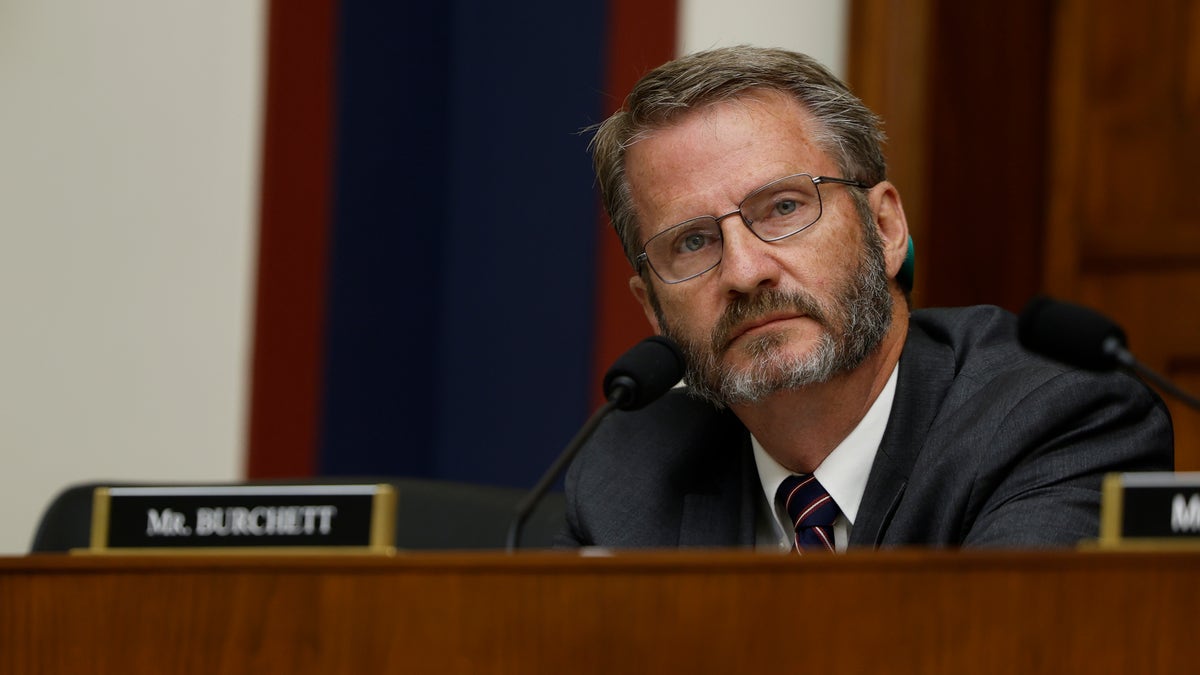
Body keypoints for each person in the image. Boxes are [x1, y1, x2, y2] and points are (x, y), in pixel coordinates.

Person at [558, 45, 1173, 551]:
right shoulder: (627, 469)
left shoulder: (1052, 419)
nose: (745, 272)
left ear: (884, 228)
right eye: (691, 242)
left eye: (785, 207)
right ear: (651, 307)